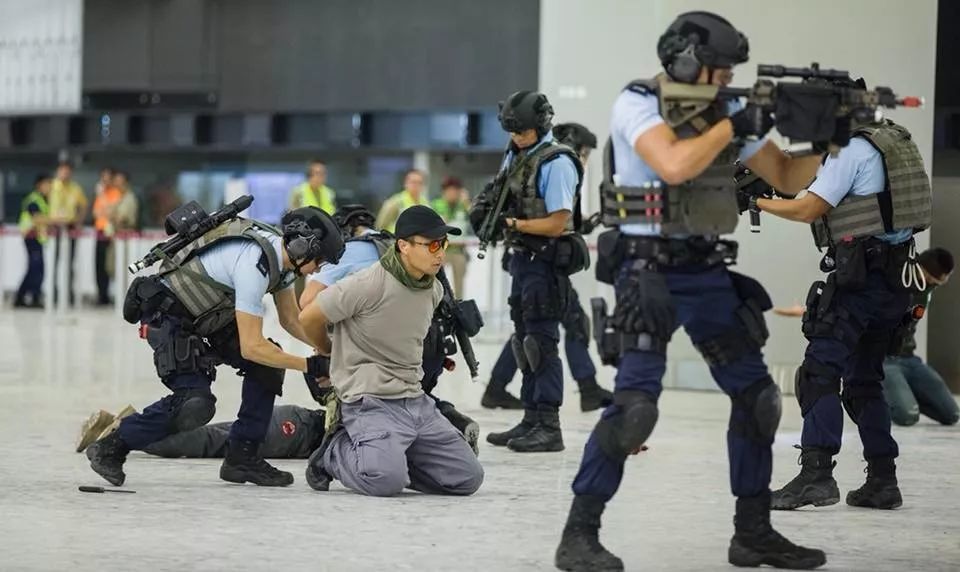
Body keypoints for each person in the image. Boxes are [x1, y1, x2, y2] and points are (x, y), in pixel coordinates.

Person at [555, 12, 828, 571]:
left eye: (731, 73)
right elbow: (674, 164)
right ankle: (578, 536)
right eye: (719, 70)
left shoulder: (726, 111)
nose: (727, 81)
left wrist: (835, 136)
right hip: (646, 271)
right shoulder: (638, 102)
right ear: (684, 61)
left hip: (707, 272)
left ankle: (751, 533)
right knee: (634, 409)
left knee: (759, 400)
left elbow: (789, 176)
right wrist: (737, 121)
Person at [752, 80, 932, 513]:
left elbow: (810, 208)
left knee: (818, 373)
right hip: (895, 280)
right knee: (864, 381)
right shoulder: (890, 137)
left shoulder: (849, 148)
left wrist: (759, 201)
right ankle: (883, 479)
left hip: (860, 280)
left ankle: (816, 475)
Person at [84, 206, 345, 488]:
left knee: (266, 369)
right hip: (170, 314)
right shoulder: (254, 264)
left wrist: (331, 352)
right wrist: (309, 365)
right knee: (194, 403)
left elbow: (292, 321)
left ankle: (242, 458)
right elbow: (251, 346)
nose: (319, 268)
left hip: (209, 314)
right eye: (319, 259)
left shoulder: (284, 265)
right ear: (300, 246)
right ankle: (112, 445)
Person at [300, 206, 484, 497]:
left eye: (444, 244)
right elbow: (308, 316)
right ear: (403, 246)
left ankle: (390, 456)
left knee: (467, 478)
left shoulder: (432, 289)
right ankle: (334, 452)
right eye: (433, 244)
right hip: (370, 401)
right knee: (384, 481)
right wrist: (328, 350)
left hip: (415, 400)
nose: (440, 253)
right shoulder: (367, 284)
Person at [472, 91, 587, 454]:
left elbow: (557, 223)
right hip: (522, 259)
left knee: (542, 342)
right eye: (512, 132)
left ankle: (549, 426)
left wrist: (512, 223)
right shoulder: (520, 154)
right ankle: (531, 418)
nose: (515, 137)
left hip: (546, 261)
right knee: (524, 341)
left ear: (540, 126)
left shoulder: (558, 162)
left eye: (521, 131)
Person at [481, 122, 612, 413]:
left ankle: (498, 388)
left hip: (536, 261)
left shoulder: (538, 165)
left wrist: (584, 224)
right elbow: (546, 221)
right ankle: (567, 397)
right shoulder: (557, 166)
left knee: (531, 330)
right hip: (540, 263)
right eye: (586, 152)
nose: (586, 159)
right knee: (541, 331)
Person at [78, 404, 326, 460]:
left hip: (297, 421)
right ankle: (121, 429)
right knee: (206, 441)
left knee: (207, 435)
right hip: (300, 433)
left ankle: (125, 423)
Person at [884, 248, 958, 426]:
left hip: (909, 358)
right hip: (884, 359)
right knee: (907, 416)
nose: (934, 285)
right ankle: (874, 393)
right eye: (934, 280)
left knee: (951, 415)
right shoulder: (896, 279)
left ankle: (904, 393)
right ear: (923, 271)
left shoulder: (926, 290)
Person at [48, 161, 88, 306]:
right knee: (53, 262)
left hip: (70, 227)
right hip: (55, 227)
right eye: (62, 171)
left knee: (70, 263)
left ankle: (69, 294)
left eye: (67, 171)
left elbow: (83, 206)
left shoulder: (75, 188)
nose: (65, 174)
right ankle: (52, 294)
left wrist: (79, 221)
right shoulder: (52, 186)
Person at [14, 175, 52, 308]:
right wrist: (56, 219)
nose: (50, 187)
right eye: (47, 184)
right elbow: (37, 218)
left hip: (38, 238)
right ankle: (23, 296)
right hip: (31, 237)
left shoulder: (43, 200)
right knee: (34, 269)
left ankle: (33, 296)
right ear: (39, 185)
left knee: (38, 269)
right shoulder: (33, 200)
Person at [431, 176, 471, 296]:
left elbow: (476, 220)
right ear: (444, 191)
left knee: (459, 284)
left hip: (459, 250)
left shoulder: (463, 205)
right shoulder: (436, 204)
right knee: (437, 281)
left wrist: (467, 203)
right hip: (440, 249)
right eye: (450, 190)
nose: (453, 193)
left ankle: (458, 307)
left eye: (456, 190)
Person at [92, 168, 120, 305]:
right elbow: (96, 213)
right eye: (103, 177)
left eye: (107, 177)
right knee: (98, 265)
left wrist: (102, 196)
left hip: (110, 233)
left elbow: (110, 212)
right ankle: (101, 294)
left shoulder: (115, 193)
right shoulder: (101, 195)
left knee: (109, 266)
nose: (105, 180)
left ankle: (109, 295)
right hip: (100, 231)